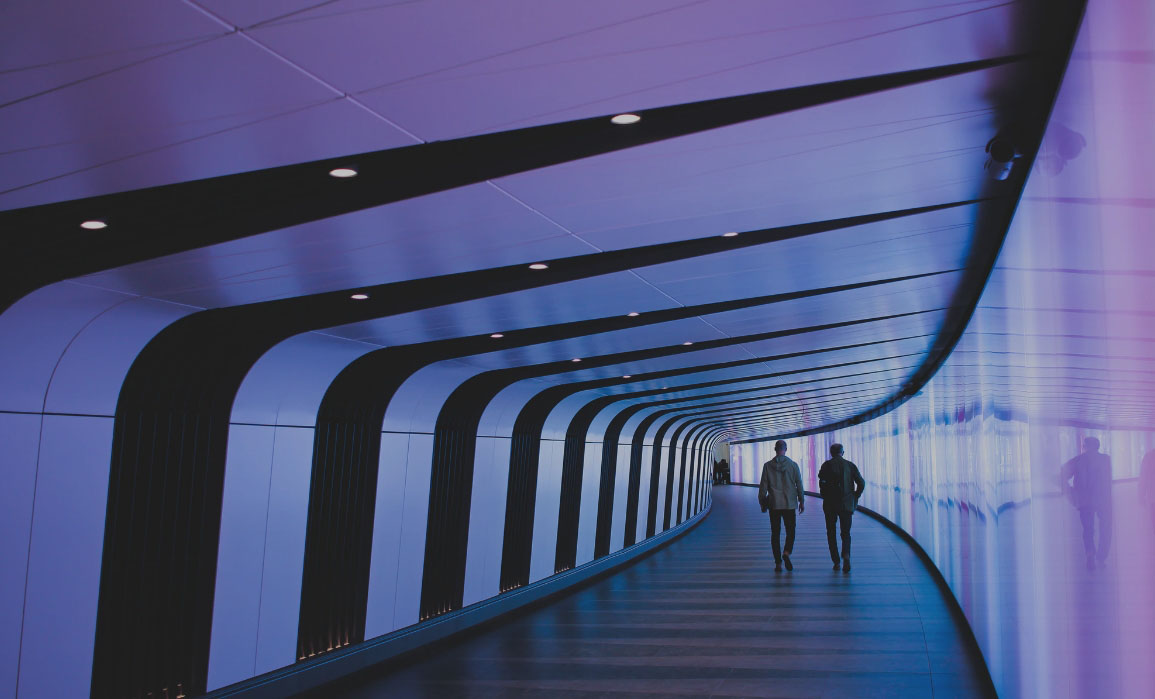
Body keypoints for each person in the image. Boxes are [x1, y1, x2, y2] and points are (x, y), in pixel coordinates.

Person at [1061, 436, 1113, 570]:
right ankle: (1102, 554)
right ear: (1098, 446)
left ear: (1085, 446)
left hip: (1084, 500)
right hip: (1103, 499)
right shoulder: (1106, 459)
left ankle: (1090, 553)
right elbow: (1108, 480)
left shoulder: (1078, 460)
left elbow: (1062, 475)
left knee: (1088, 529)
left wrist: (1071, 492)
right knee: (1105, 527)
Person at [818, 443, 866, 572]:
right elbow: (861, 483)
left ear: (831, 453)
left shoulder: (826, 465)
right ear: (843, 452)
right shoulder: (850, 465)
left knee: (831, 533)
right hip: (846, 504)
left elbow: (821, 484)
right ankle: (846, 555)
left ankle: (836, 562)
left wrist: (825, 495)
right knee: (845, 533)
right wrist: (855, 496)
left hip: (829, 504)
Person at [758, 440, 804, 571]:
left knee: (775, 533)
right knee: (791, 531)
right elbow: (799, 484)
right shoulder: (793, 465)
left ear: (775, 449)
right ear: (786, 449)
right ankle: (787, 552)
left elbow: (763, 487)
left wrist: (762, 502)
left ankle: (778, 563)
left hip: (774, 504)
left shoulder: (767, 466)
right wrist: (802, 500)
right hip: (789, 504)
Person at [1140, 448, 1155, 535]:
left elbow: (1143, 477)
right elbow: (1144, 477)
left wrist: (1141, 495)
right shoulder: (1149, 456)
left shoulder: (1149, 456)